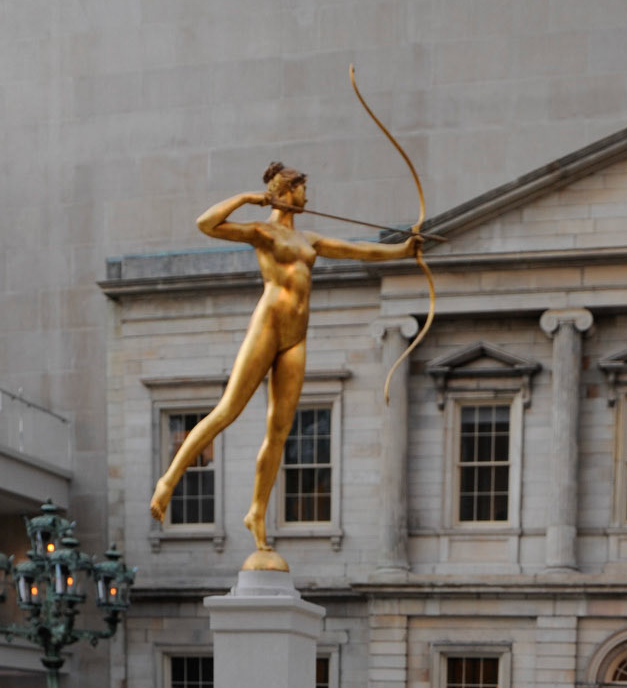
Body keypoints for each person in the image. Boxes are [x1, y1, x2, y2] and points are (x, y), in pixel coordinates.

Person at [148, 163, 423, 567]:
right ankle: (168, 481)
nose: (308, 197)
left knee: (279, 429)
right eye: (303, 189)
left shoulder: (308, 239)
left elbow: (359, 250)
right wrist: (247, 199)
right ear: (287, 190)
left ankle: (256, 512)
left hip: (297, 334)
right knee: (227, 410)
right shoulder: (262, 233)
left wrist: (403, 250)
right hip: (269, 325)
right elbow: (206, 223)